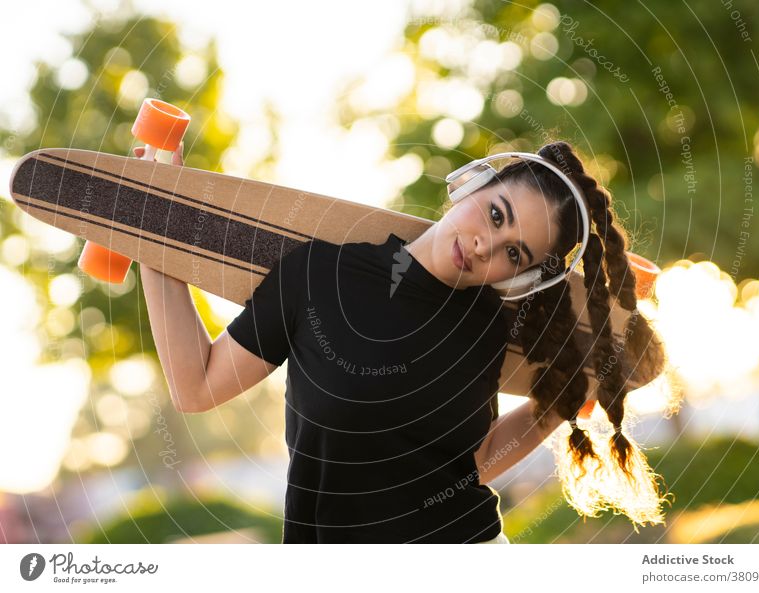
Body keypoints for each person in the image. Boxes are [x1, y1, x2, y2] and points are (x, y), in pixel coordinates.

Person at [138, 140, 667, 543]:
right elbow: (197, 386)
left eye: (514, 254)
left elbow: (474, 463)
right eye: (496, 213)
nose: (487, 244)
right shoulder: (319, 276)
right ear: (473, 183)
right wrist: (149, 225)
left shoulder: (492, 327)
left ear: (523, 276)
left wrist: (559, 405)